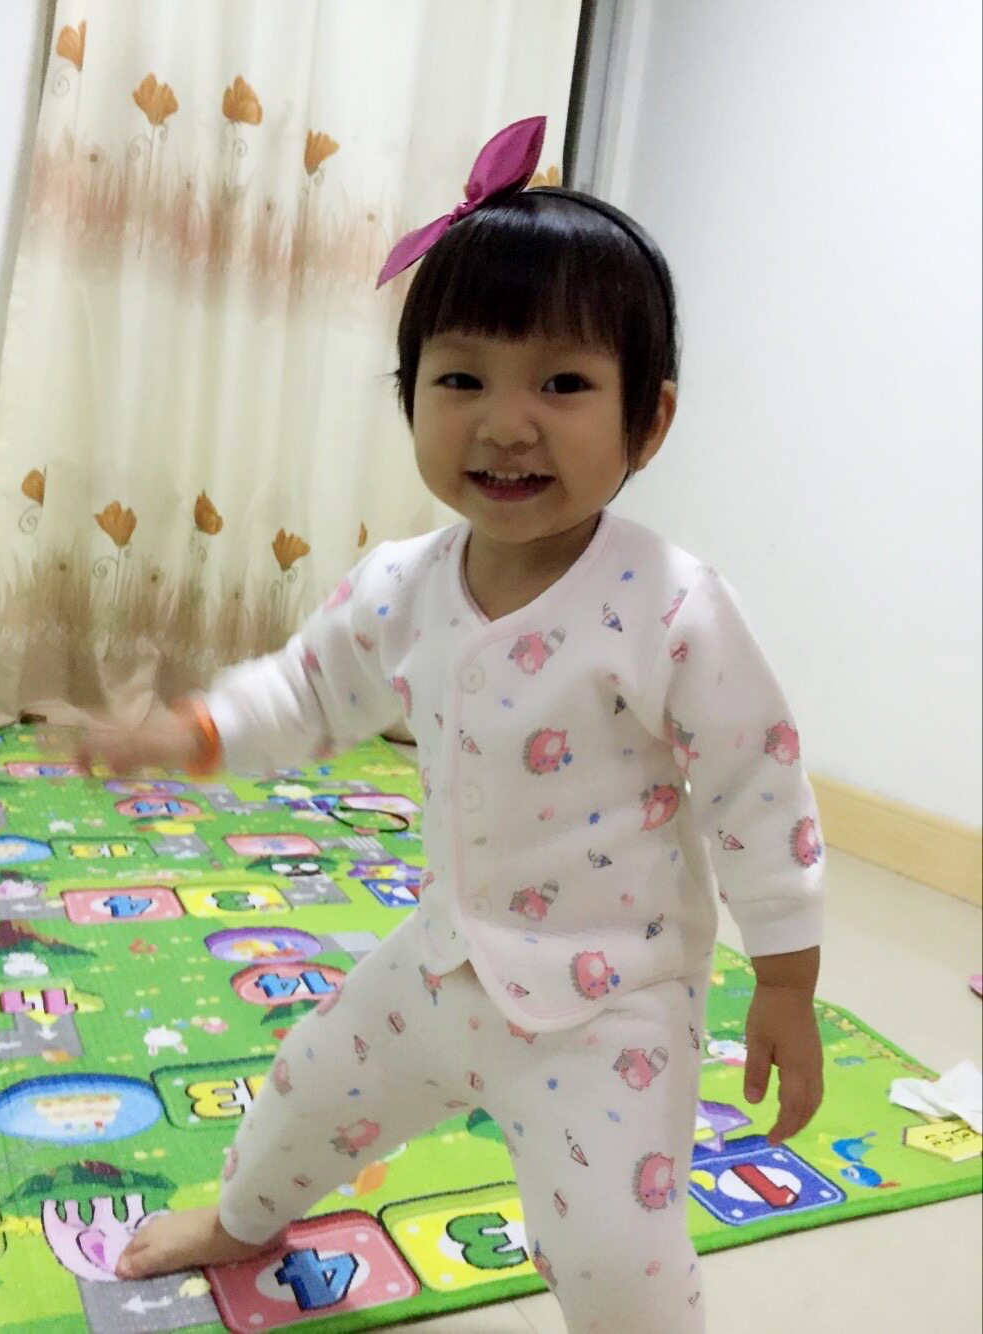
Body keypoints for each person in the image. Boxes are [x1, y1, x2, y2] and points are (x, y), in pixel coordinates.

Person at [83, 117, 825, 1332]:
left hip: (609, 1007)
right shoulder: (403, 582)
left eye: (563, 383)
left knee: (613, 1254)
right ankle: (245, 1214)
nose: (506, 421)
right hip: (439, 959)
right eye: (462, 378)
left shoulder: (669, 605)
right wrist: (190, 731)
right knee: (306, 1082)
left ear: (648, 420)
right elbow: (306, 690)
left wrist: (785, 978)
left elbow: (757, 785)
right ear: (411, 395)